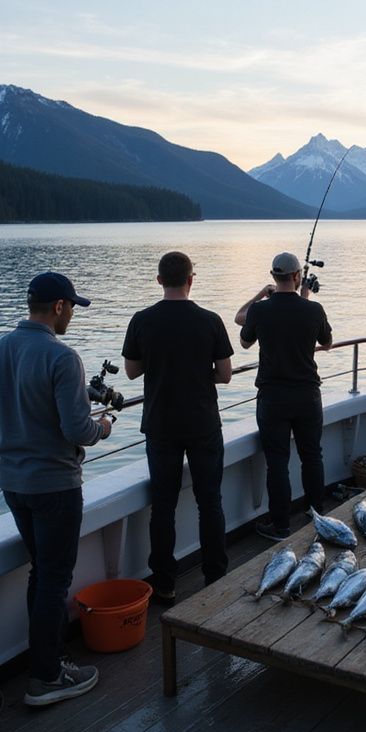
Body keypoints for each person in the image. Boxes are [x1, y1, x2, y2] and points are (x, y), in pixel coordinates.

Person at [0, 271, 113, 707]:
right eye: (71, 309)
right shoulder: (62, 357)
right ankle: (46, 677)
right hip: (55, 485)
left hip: (13, 483)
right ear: (60, 307)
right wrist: (102, 427)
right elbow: (77, 429)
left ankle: (46, 660)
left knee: (41, 571)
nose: (71, 318)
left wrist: (16, 428)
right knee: (53, 578)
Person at [122, 251, 233, 604]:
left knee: (163, 506)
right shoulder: (211, 320)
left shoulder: (142, 319)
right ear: (191, 279)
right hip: (202, 422)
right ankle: (215, 578)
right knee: (210, 502)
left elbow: (131, 371)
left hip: (160, 425)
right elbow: (226, 375)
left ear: (159, 280)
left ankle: (165, 584)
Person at [235, 252, 333, 540]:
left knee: (277, 462)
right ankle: (317, 514)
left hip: (272, 397)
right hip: (307, 395)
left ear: (273, 277)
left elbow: (243, 338)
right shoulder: (312, 310)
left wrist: (260, 296)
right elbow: (326, 343)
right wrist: (306, 301)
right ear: (297, 276)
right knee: (312, 455)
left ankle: (281, 526)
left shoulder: (260, 310)